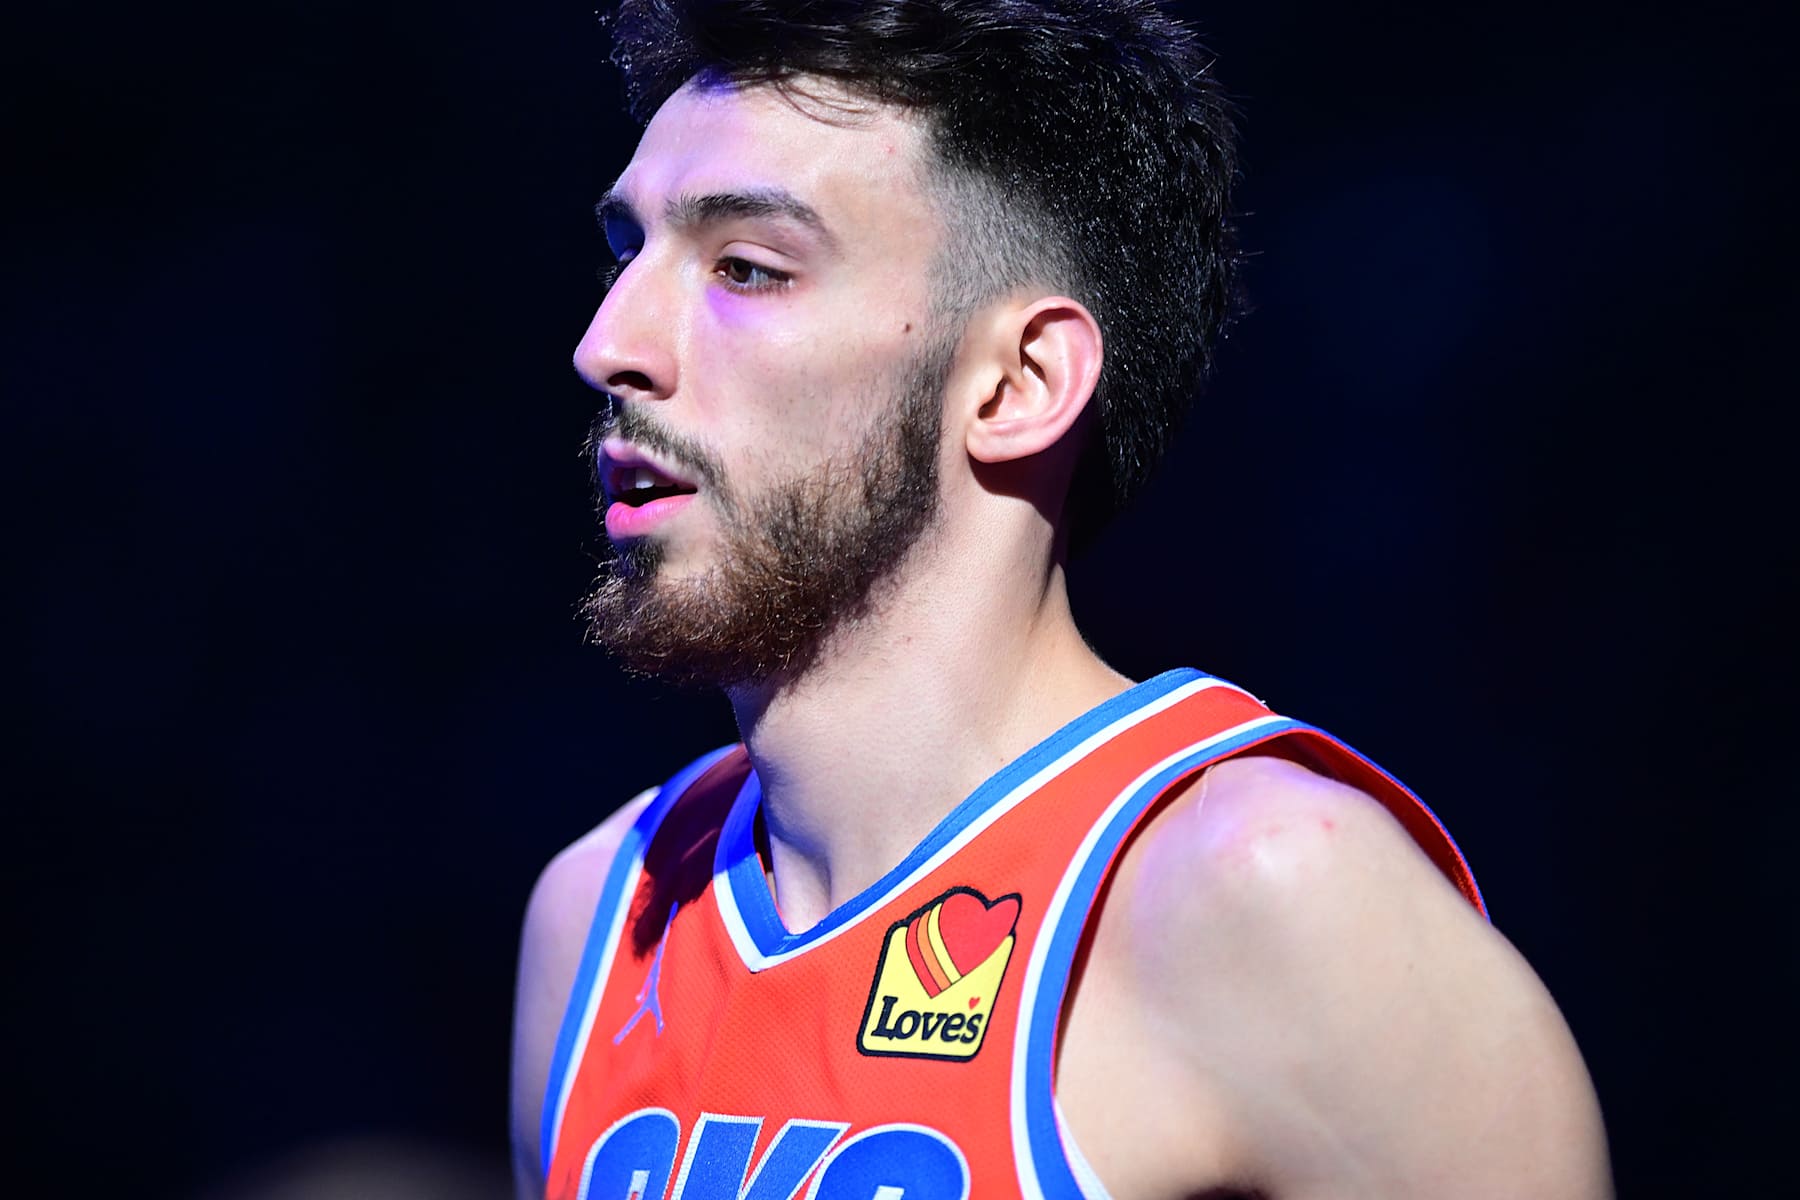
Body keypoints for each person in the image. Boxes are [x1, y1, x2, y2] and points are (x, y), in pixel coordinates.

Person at [510, 2, 1612, 1197]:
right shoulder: (597, 919)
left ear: (1020, 383)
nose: (607, 343)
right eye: (628, 252)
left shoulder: (1266, 894)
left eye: (746, 269)